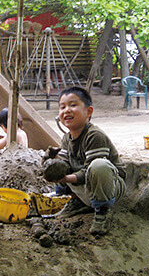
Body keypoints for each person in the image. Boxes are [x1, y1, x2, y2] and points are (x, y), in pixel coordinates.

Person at [51, 86, 126, 236]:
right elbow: (64, 165)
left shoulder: (94, 135)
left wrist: (67, 178)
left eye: (73, 105)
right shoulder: (67, 138)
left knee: (99, 166)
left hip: (109, 187)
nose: (67, 110)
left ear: (89, 111)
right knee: (56, 164)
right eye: (62, 107)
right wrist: (53, 168)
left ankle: (103, 210)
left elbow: (90, 171)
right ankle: (74, 201)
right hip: (84, 186)